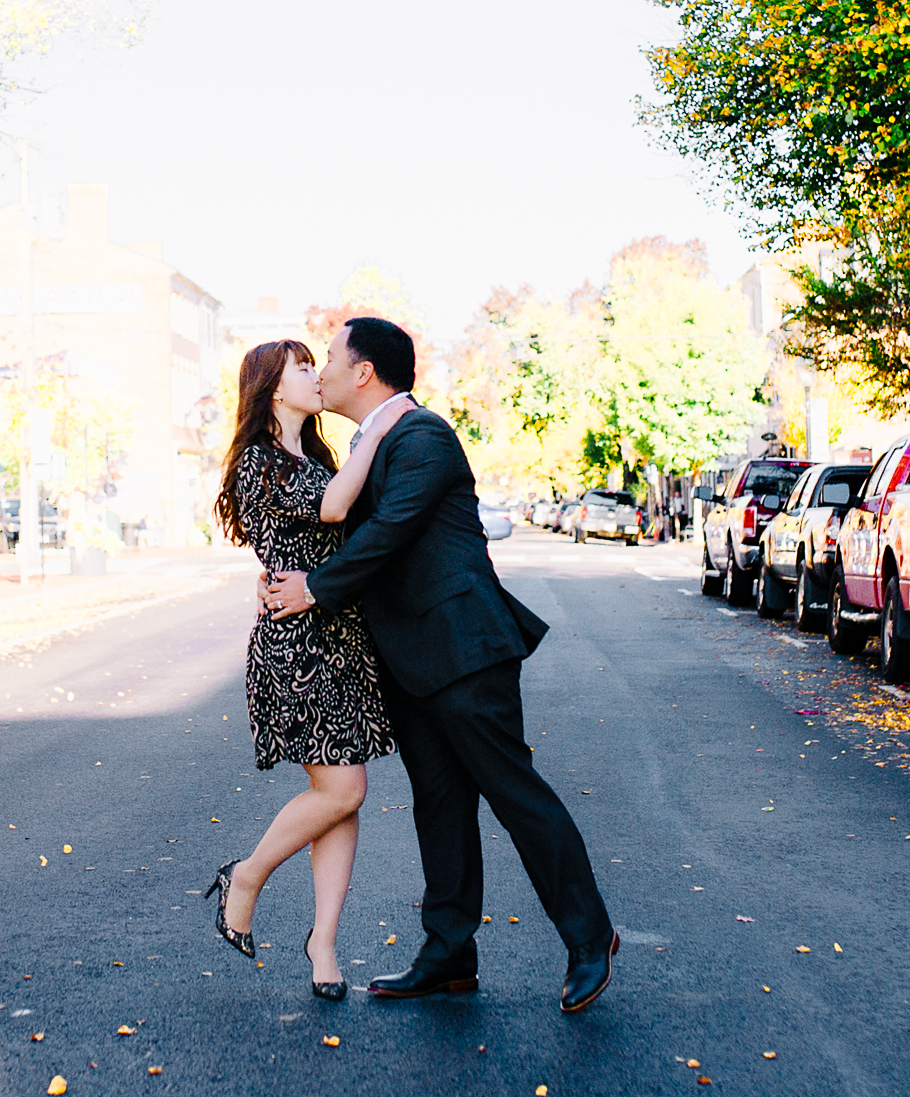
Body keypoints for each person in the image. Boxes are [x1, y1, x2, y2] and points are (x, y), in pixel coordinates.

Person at [261, 317, 617, 1013]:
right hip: (412, 659)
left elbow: (388, 534)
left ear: (364, 373)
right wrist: (281, 574)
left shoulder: (423, 436)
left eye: (331, 358)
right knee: (441, 807)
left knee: (516, 796)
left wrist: (315, 589)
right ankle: (448, 953)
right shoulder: (364, 446)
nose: (323, 370)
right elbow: (335, 527)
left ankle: (589, 937)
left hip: (464, 649)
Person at [205, 339, 411, 1000]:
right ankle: (246, 877)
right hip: (297, 646)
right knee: (342, 790)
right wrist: (381, 426)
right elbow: (334, 508)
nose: (316, 375)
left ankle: (323, 941)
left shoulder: (314, 456)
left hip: (340, 639)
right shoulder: (260, 461)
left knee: (340, 796)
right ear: (271, 387)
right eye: (302, 367)